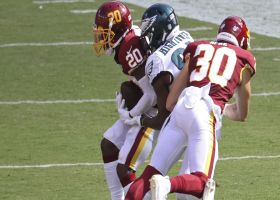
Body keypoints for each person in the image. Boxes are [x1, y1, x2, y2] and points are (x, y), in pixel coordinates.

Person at [128, 15, 256, 200]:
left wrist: (220, 108)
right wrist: (223, 107)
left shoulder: (198, 47)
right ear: (243, 40)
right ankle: (167, 184)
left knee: (148, 176)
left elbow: (170, 102)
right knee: (204, 184)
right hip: (204, 114)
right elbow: (242, 113)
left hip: (181, 108)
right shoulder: (243, 57)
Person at [123, 3, 198, 200]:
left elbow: (164, 116)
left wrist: (139, 119)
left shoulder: (156, 60)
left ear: (160, 28)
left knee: (148, 184)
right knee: (190, 190)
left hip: (179, 121)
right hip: (202, 118)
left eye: (150, 31)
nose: (147, 38)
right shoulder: (189, 38)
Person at [93, 1, 158, 199]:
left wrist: (131, 114)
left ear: (118, 28)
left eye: (105, 32)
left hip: (152, 113)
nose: (101, 38)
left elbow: (152, 94)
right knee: (109, 144)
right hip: (144, 108)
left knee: (125, 169)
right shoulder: (128, 41)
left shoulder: (129, 48)